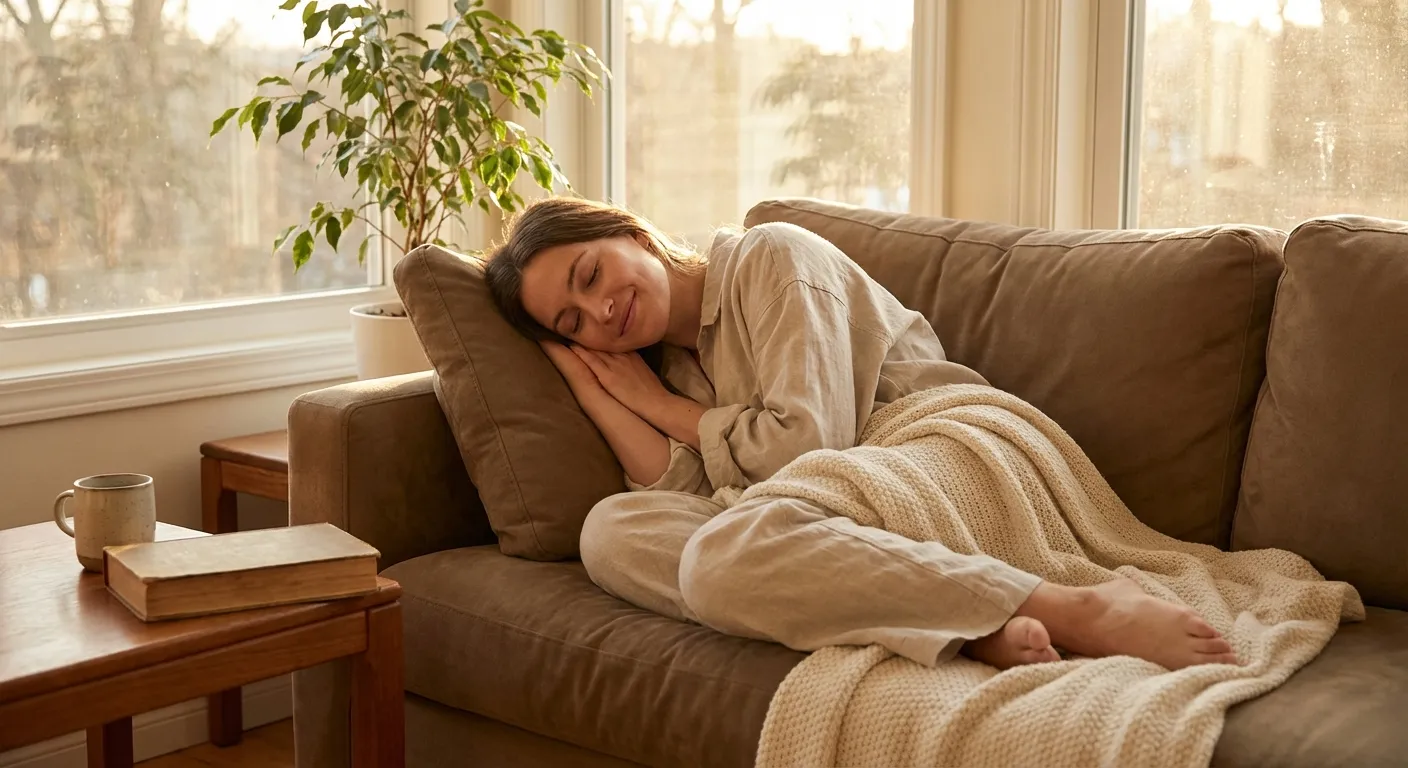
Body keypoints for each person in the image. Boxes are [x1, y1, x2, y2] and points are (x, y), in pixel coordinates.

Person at [484, 197, 1238, 671]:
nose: (601, 311)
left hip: (940, 444)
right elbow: (687, 491)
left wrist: (660, 406)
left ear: (629, 233)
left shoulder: (770, 258)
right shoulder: (668, 368)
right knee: (612, 530)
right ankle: (967, 622)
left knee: (719, 563)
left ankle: (1074, 609)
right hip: (839, 501)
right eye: (572, 323)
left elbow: (801, 451)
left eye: (589, 275)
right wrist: (599, 387)